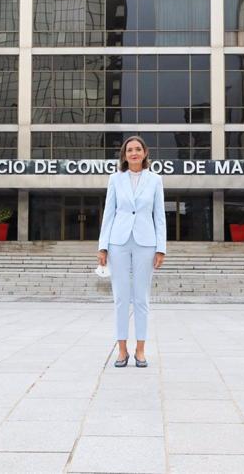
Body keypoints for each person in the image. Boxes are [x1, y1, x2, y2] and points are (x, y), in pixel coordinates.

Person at [97, 135, 166, 368]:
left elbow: (160, 216)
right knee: (120, 298)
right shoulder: (115, 179)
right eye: (129, 150)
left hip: (146, 243)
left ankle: (140, 350)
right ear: (124, 155)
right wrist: (103, 246)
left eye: (138, 149)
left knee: (141, 298)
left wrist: (161, 248)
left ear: (145, 153)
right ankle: (122, 350)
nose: (134, 153)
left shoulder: (155, 180)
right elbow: (109, 213)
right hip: (118, 242)